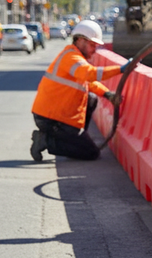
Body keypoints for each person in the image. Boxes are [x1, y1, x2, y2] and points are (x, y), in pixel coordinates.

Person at [29, 19, 127, 162]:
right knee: (91, 153)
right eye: (92, 45)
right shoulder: (71, 57)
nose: (94, 50)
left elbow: (88, 82)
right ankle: (45, 141)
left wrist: (107, 94)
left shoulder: (75, 56)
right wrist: (120, 69)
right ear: (80, 41)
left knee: (91, 98)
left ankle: (75, 140)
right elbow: (90, 74)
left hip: (58, 115)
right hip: (51, 119)